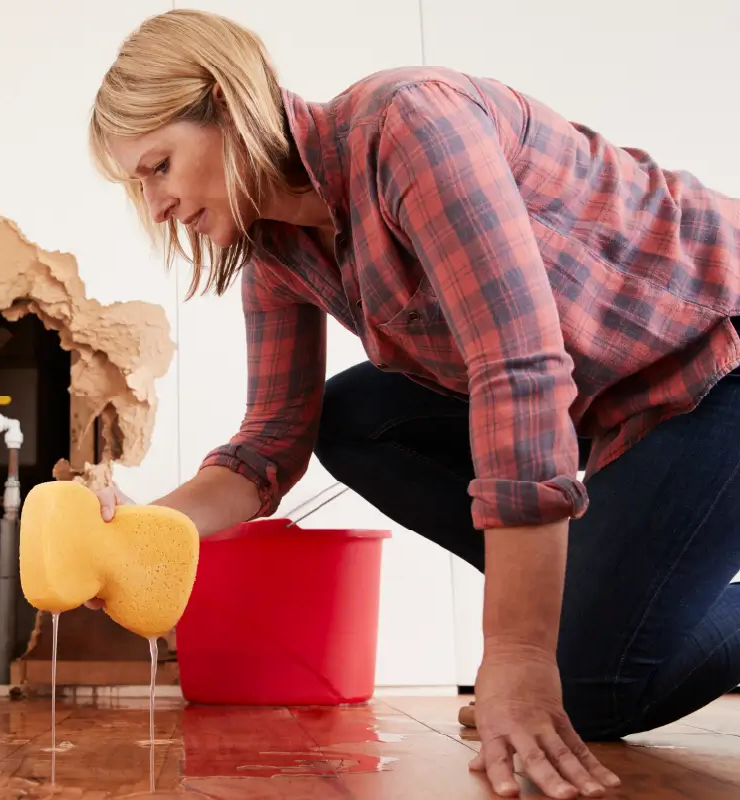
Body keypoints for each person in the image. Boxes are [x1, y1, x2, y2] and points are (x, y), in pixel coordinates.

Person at [81, 8, 740, 800]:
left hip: (713, 356)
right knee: (356, 419)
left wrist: (520, 658)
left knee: (591, 689)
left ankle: (562, 639)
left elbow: (519, 369)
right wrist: (138, 528)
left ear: (225, 105)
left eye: (158, 165)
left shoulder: (409, 126)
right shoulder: (275, 254)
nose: (153, 205)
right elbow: (268, 447)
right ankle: (570, 617)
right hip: (612, 407)